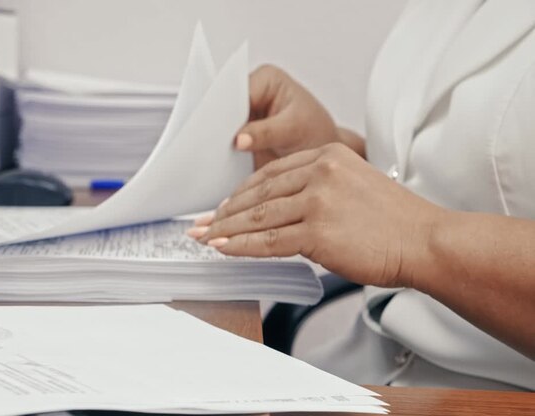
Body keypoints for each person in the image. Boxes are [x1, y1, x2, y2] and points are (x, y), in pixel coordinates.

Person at [187, 1, 535, 390]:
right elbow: (455, 185)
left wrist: (413, 237)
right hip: (361, 374)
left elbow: (416, 228)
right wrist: (327, 154)